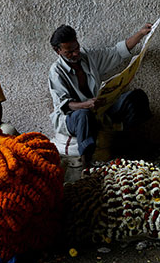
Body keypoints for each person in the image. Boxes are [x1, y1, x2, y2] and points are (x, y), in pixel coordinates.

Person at [48, 23, 153, 168]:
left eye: (76, 47)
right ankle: (87, 163)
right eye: (69, 52)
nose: (75, 53)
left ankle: (127, 142)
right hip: (72, 118)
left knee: (136, 97)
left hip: (98, 110)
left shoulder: (87, 57)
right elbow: (65, 104)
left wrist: (141, 34)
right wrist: (87, 104)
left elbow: (117, 52)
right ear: (57, 51)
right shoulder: (56, 71)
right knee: (84, 114)